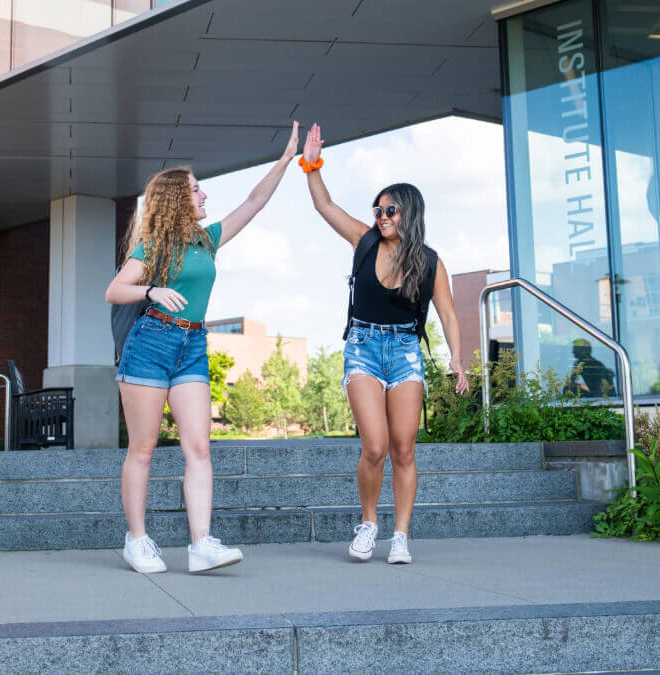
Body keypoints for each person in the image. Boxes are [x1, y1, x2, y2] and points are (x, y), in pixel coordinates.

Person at [105, 121, 300, 574]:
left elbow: (253, 202)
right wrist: (150, 291)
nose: (205, 196)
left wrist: (285, 160)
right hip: (151, 342)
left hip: (192, 343)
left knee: (199, 448)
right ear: (178, 199)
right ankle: (136, 540)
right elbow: (115, 290)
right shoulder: (153, 247)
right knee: (144, 449)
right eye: (196, 190)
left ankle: (200, 545)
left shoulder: (205, 240)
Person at [301, 123, 469, 565]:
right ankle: (369, 523)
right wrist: (312, 163)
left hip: (405, 353)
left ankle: (400, 535)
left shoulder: (431, 263)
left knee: (403, 448)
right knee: (374, 446)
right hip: (363, 347)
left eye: (390, 209)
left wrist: (456, 358)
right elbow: (323, 204)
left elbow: (448, 314)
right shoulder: (364, 240)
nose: (382, 215)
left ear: (408, 212)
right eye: (378, 208)